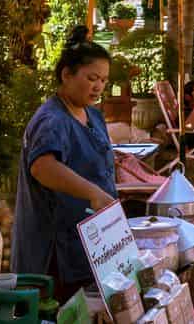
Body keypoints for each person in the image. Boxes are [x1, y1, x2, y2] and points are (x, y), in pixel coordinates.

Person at [12, 27, 118, 296]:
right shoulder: (53, 120)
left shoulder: (93, 116)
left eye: (104, 80)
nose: (98, 87)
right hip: (57, 251)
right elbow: (43, 167)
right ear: (67, 75)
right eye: (92, 78)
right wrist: (93, 193)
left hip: (92, 243)